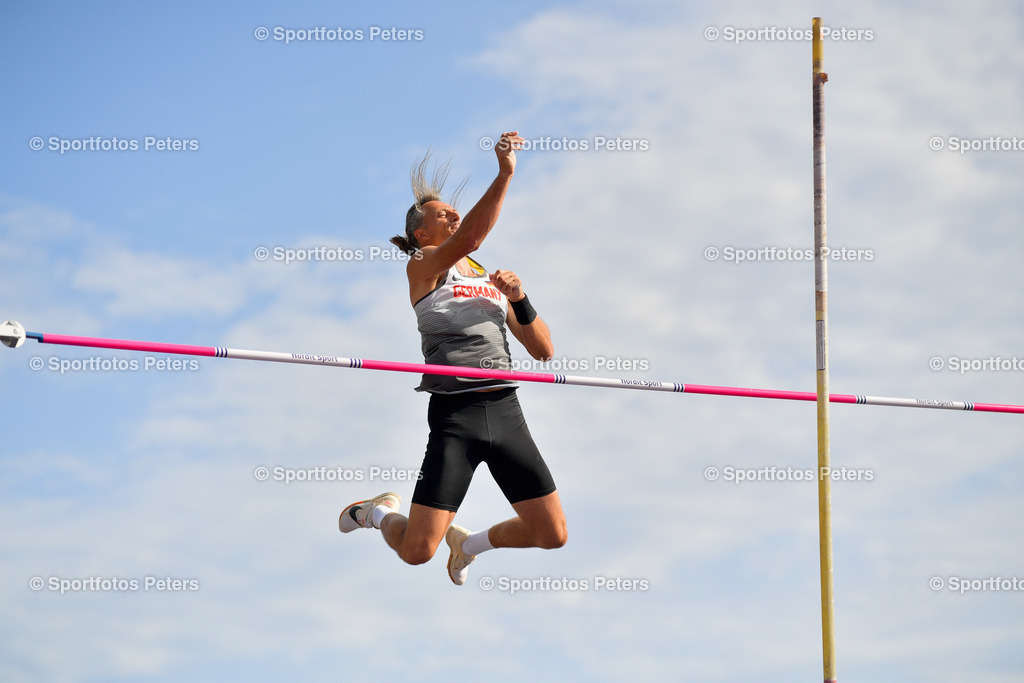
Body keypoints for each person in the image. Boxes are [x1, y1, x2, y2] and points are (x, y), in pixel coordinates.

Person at [339, 131, 567, 585]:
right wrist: (504, 174)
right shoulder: (423, 265)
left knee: (552, 534)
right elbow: (473, 238)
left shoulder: (487, 280)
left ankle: (469, 545)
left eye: (454, 212)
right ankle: (378, 513)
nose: (454, 216)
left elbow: (543, 350)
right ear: (421, 232)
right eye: (443, 215)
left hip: (505, 411)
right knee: (416, 552)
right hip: (455, 417)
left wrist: (518, 298)